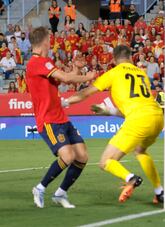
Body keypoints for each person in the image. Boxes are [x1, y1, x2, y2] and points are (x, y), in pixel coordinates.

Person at [65, 45, 164, 204]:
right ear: (131, 58)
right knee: (140, 150)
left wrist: (64, 102)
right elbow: (134, 106)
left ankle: (131, 178)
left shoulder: (113, 73)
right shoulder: (142, 74)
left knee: (105, 162)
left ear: (113, 59)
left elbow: (85, 93)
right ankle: (160, 192)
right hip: (157, 117)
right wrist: (110, 111)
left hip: (138, 120)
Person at [26, 26, 96, 208]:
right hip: (48, 120)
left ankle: (60, 193)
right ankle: (40, 188)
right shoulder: (36, 62)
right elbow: (66, 79)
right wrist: (89, 77)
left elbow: (66, 77)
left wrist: (76, 69)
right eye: (49, 40)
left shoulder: (45, 62)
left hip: (61, 117)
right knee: (68, 155)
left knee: (82, 156)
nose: (51, 43)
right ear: (43, 41)